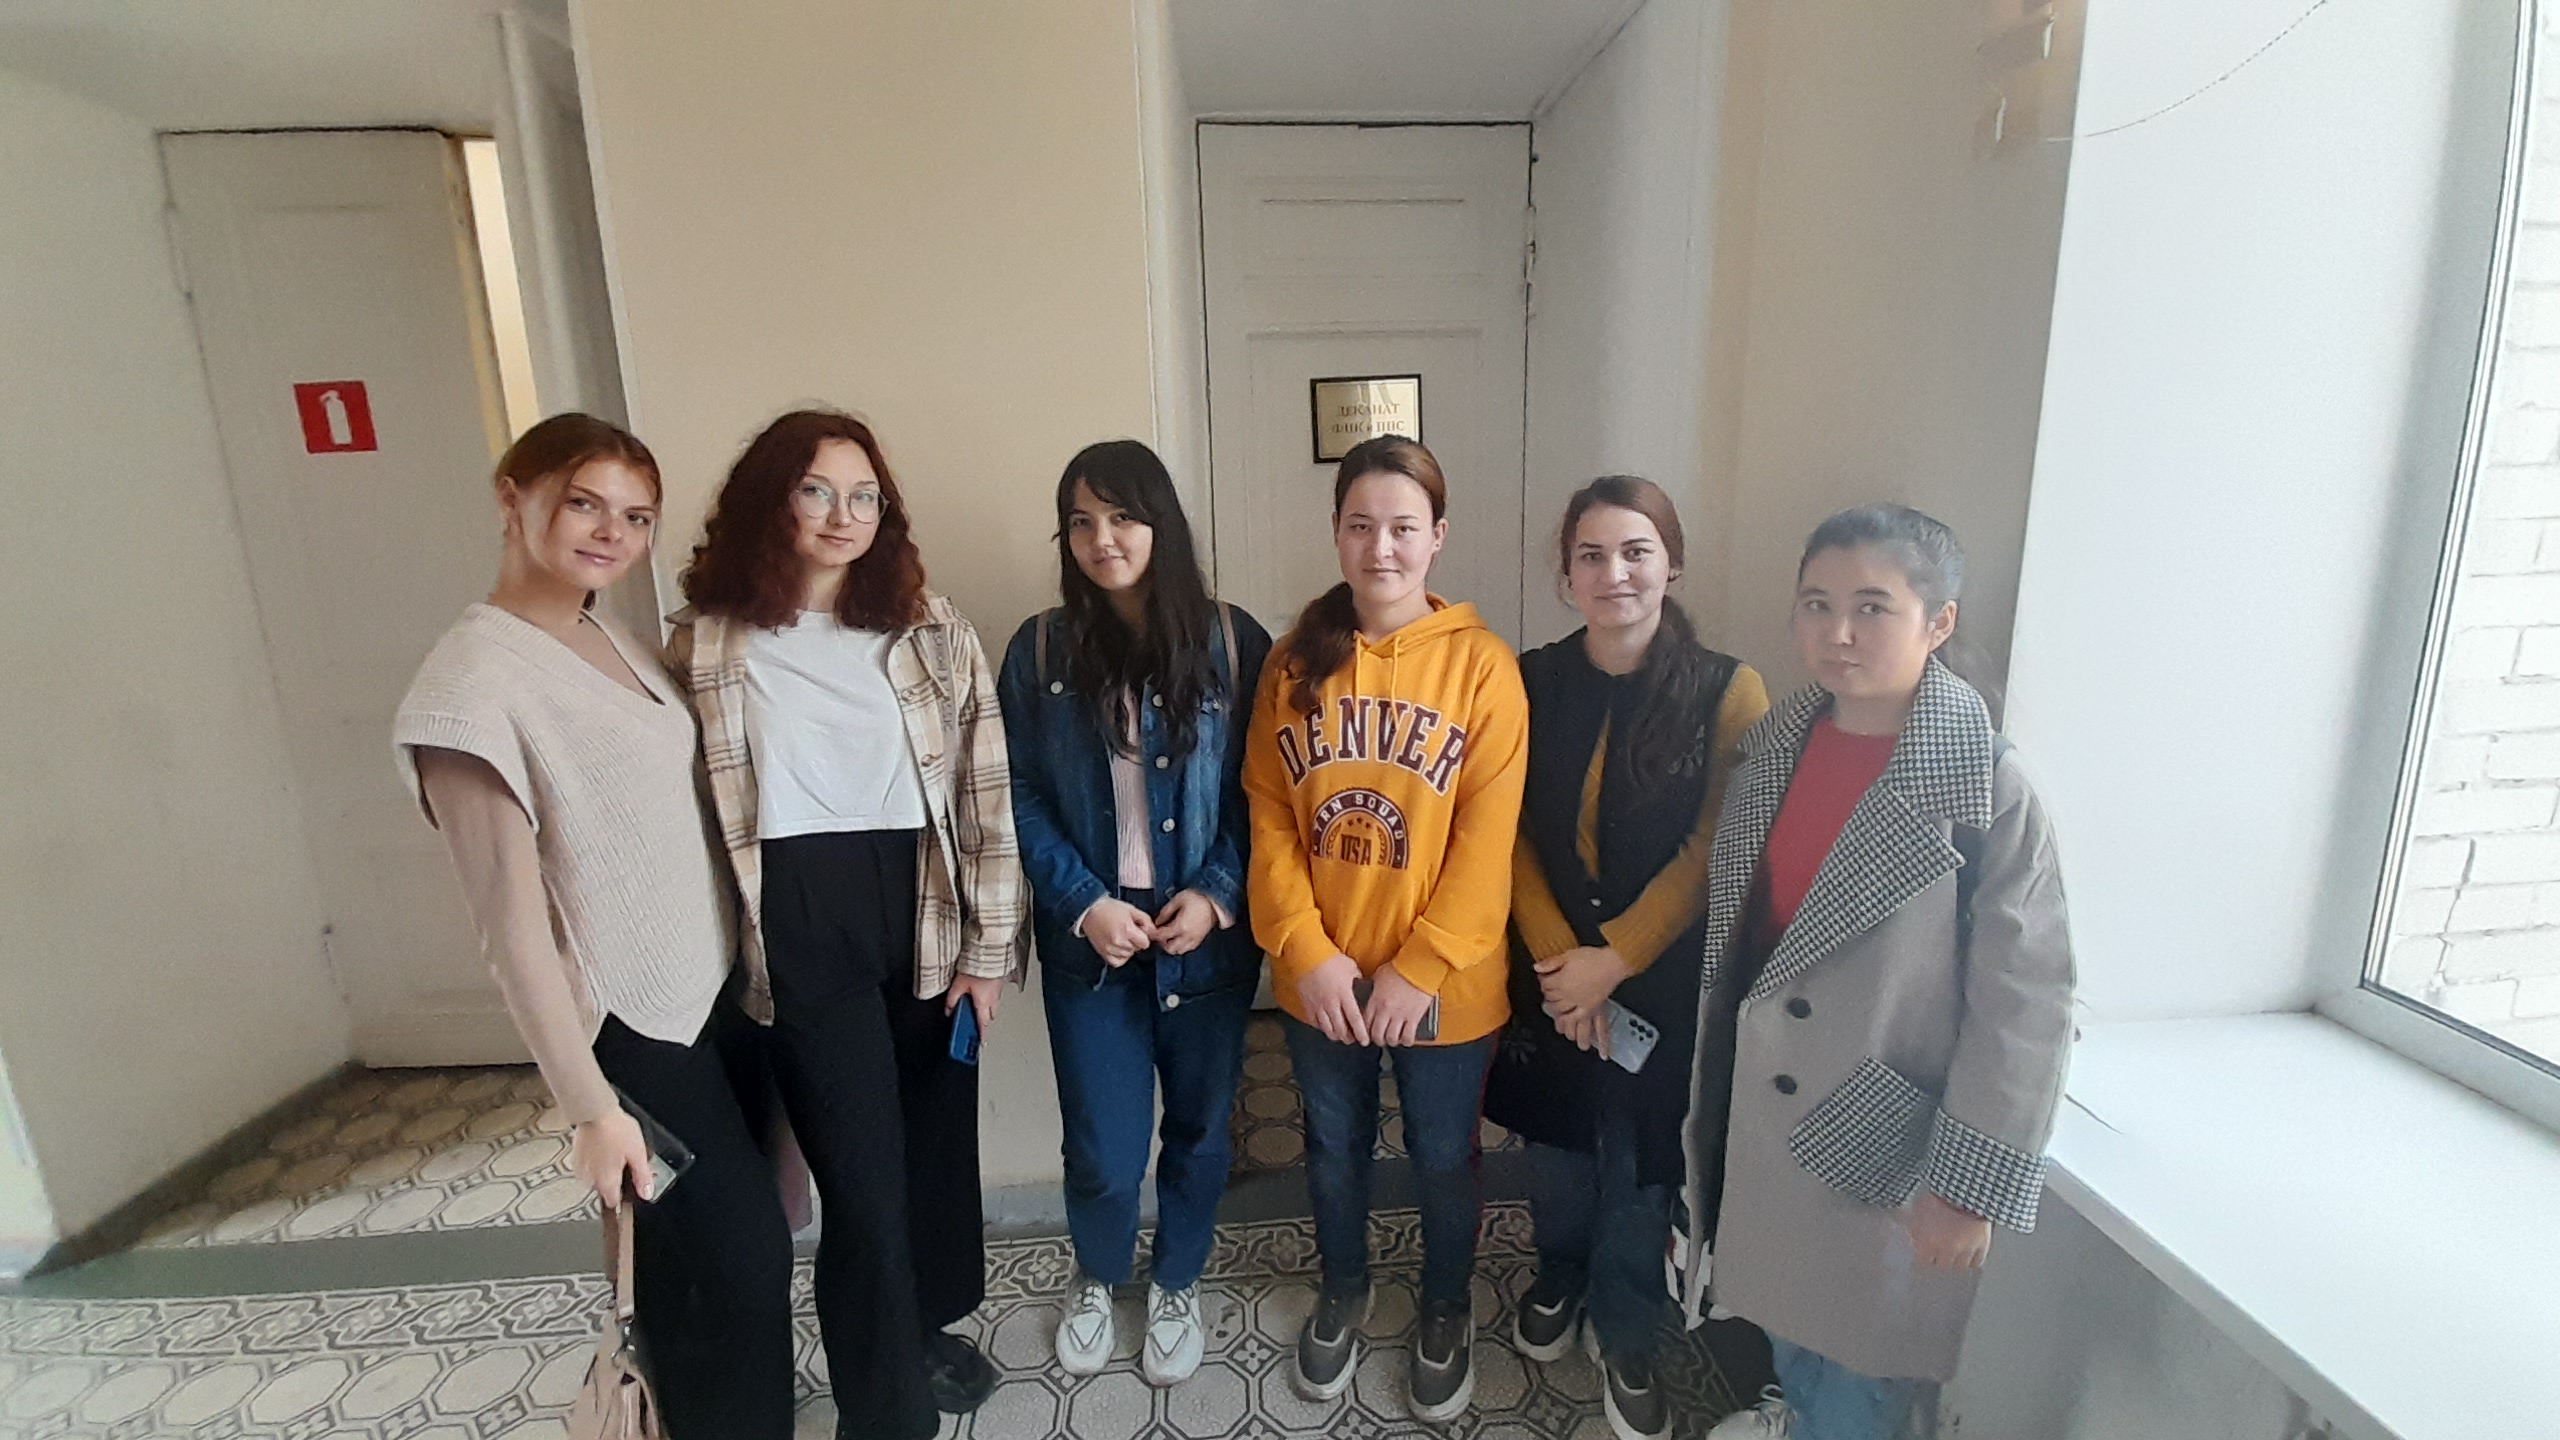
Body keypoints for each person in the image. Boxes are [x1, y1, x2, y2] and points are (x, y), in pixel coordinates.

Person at [395, 414, 797, 1438]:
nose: (612, 532)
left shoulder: (606, 631)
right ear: (512, 497)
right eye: (584, 504)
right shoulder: (469, 689)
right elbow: (510, 932)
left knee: (704, 1266)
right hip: (629, 1029)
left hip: (709, 993)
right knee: (739, 1264)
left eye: (637, 515)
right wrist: (589, 1109)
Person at [664, 408, 1026, 1440]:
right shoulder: (704, 639)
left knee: (930, 1159)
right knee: (862, 1191)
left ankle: (918, 1333)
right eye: (817, 491)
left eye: (864, 496)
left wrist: (989, 953)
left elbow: (984, 792)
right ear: (770, 500)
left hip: (923, 910)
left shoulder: (928, 625)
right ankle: (887, 1413)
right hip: (797, 922)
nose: (843, 515)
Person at [1689, 505, 2075, 1440]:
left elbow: (2027, 1005)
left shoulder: (1986, 787)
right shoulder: (1775, 747)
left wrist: (1969, 1185)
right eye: (1816, 604)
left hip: (1886, 1133)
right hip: (1768, 1114)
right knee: (1786, 1323)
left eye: (1872, 607)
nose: (1839, 632)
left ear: (1938, 622)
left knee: (1862, 1371)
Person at [1243, 434, 1529, 1423]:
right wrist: (1306, 951)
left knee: (1444, 1154)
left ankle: (1446, 1305)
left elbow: (1488, 842)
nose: (1382, 548)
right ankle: (1345, 1288)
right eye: (1361, 526)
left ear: (1437, 536)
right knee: (1334, 1148)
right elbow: (1268, 815)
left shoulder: (1484, 669)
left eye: (1403, 527)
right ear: (1335, 533)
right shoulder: (1293, 662)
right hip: (1320, 978)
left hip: (1443, 983)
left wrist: (1419, 968)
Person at [1484, 477, 1769, 1440]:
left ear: (1671, 563)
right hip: (1553, 973)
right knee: (1558, 1143)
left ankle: (1628, 1323)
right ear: (1566, 574)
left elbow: (1715, 846)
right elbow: (1508, 831)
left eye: (1637, 551)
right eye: (1593, 555)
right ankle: (1559, 1273)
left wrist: (1615, 960)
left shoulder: (1730, 690)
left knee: (1643, 1160)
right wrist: (1561, 964)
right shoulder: (1529, 679)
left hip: (1664, 979)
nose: (1616, 573)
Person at [996, 440, 1272, 1387]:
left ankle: (1179, 1279)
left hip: (1204, 935)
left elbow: (1266, 789)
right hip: (1095, 939)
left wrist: (1221, 892)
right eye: (1081, 522)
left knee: (1199, 1131)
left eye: (1122, 517)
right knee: (1104, 1151)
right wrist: (1082, 903)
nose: (1102, 539)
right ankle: (1099, 1273)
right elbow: (1013, 789)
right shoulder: (1039, 650)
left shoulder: (1233, 642)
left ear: (1163, 524)